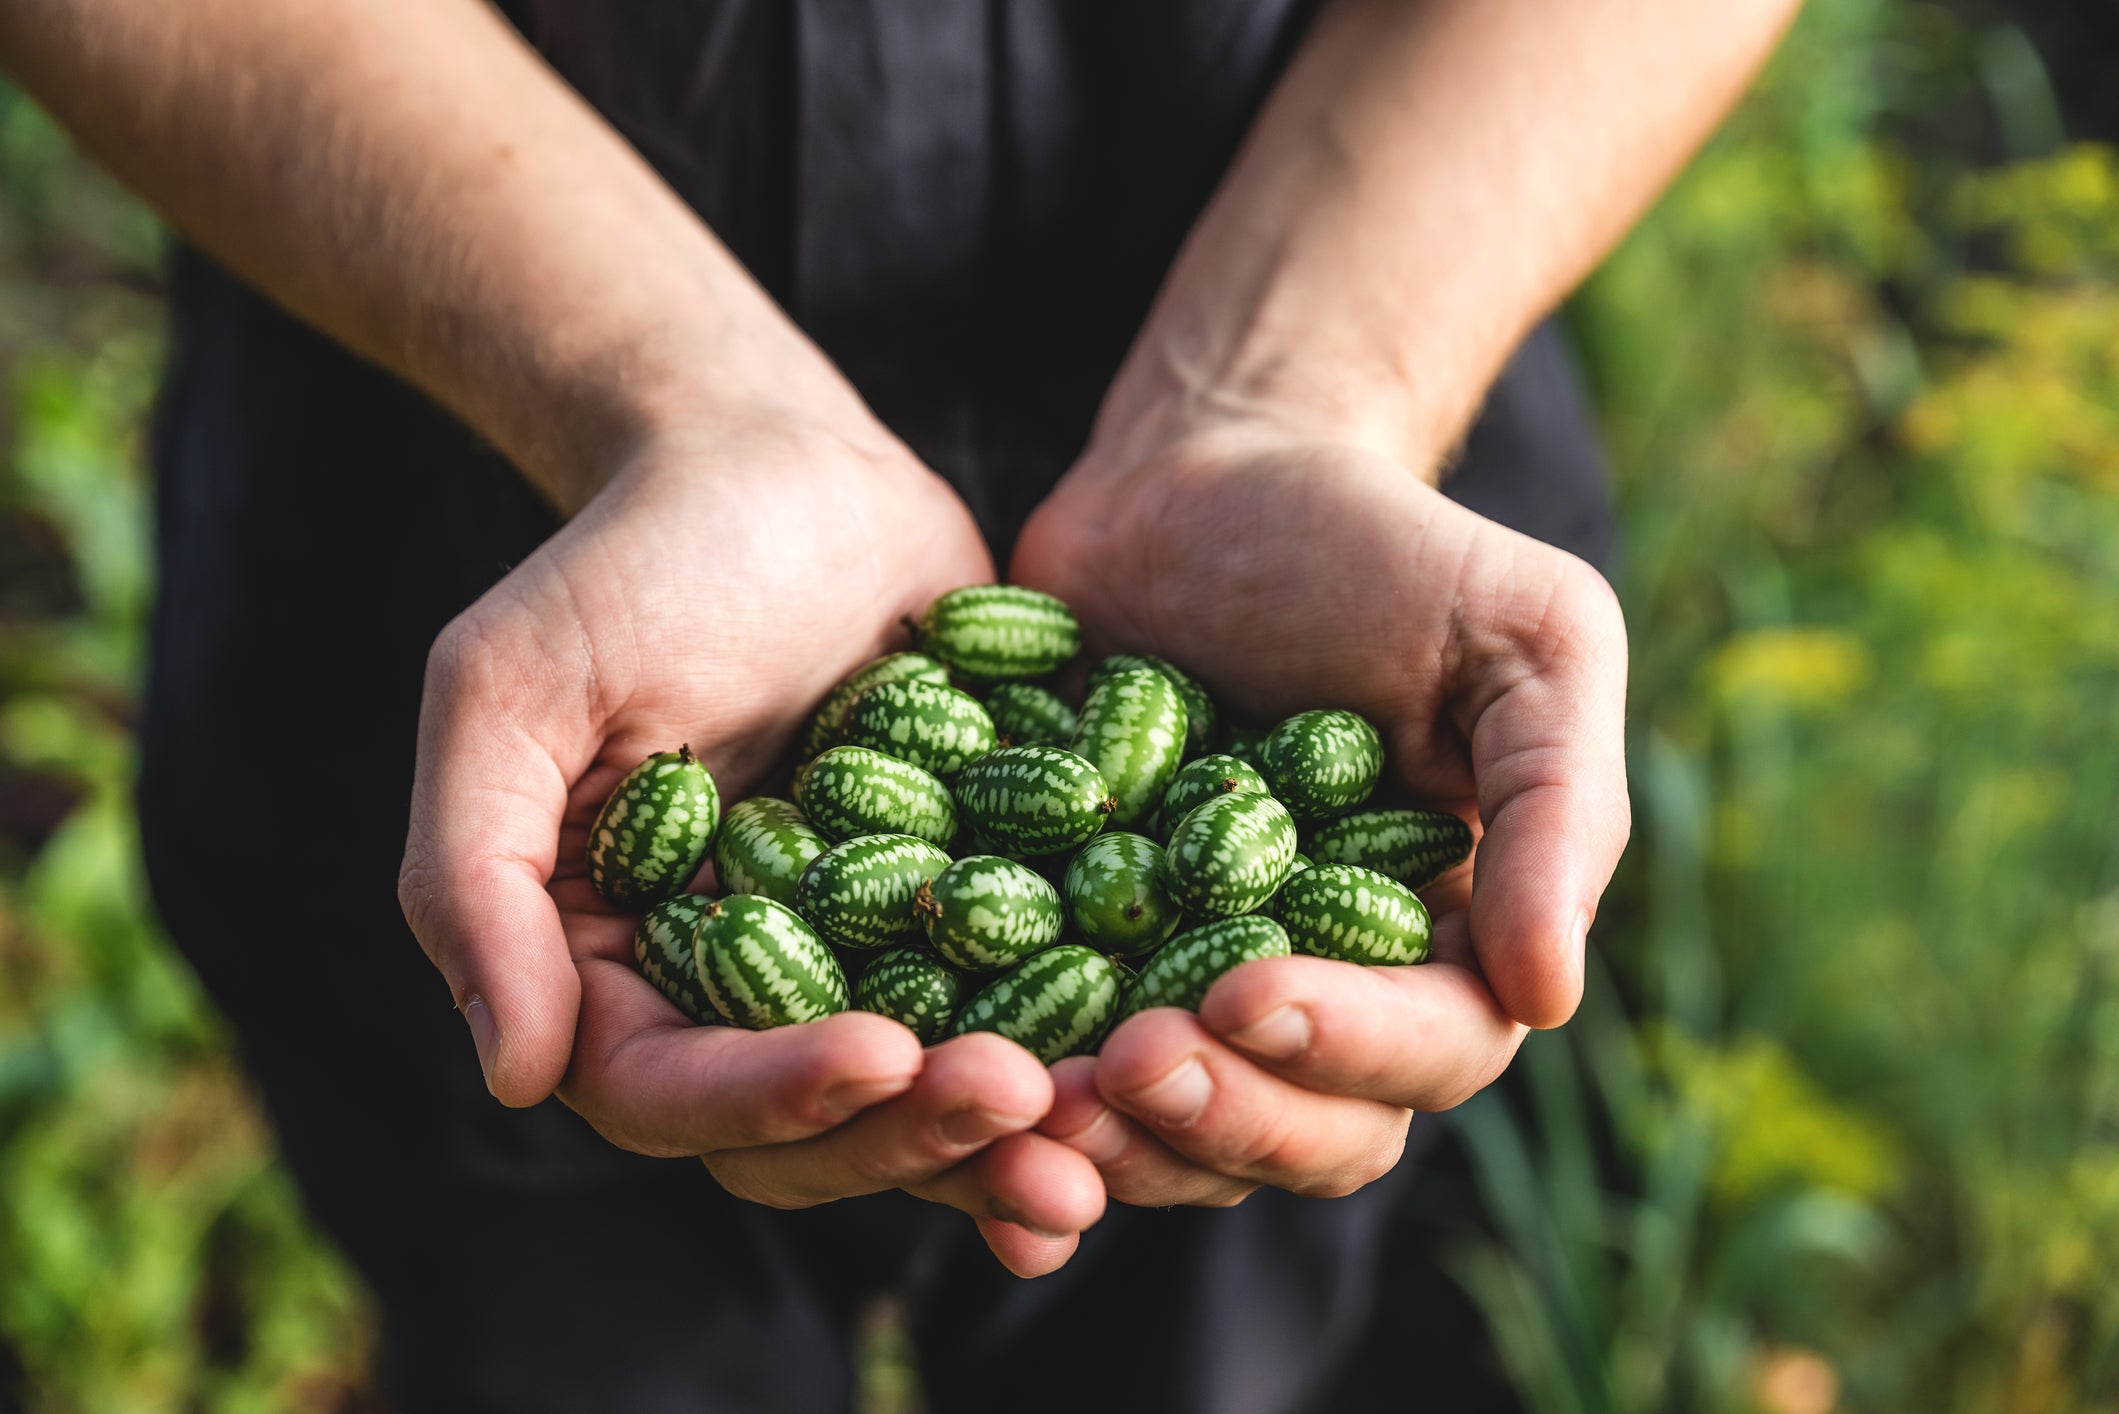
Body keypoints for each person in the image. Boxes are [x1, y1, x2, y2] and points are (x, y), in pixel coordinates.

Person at [0, 2, 1798, 1409]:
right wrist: (673, 403)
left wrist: (1291, 393)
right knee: (566, 1346)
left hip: (1347, 501)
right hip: (481, 534)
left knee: (1208, 1336)